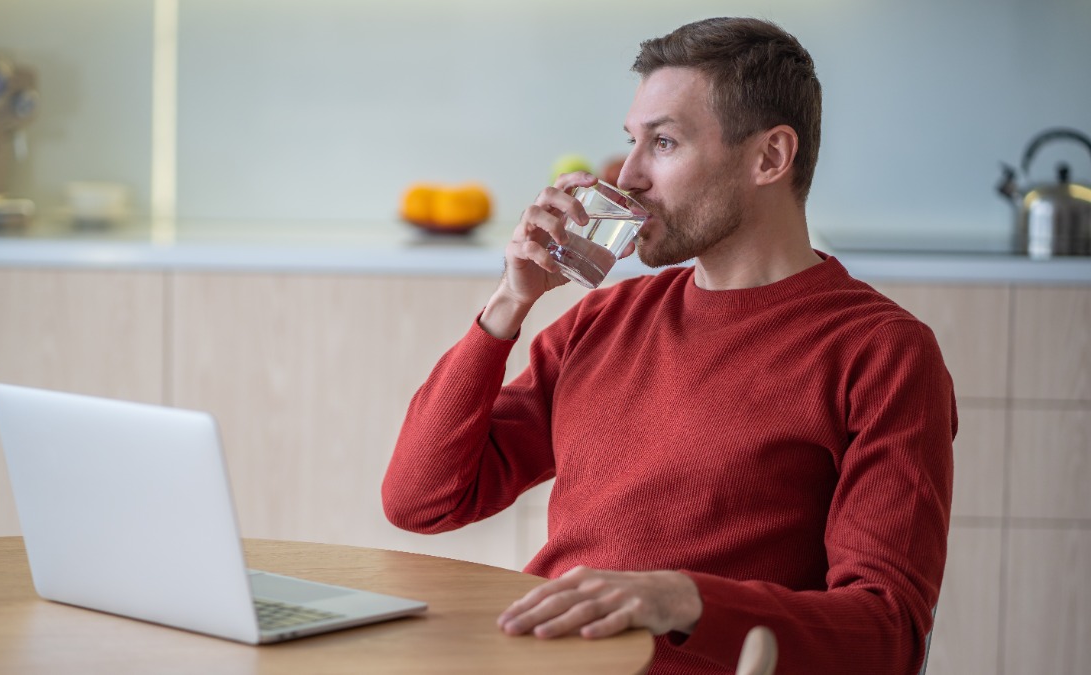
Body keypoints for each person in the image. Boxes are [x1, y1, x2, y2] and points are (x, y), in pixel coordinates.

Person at [382, 16, 956, 675]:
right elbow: (420, 500)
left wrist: (681, 597)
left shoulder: (883, 353)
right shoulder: (603, 319)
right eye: (630, 141)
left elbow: (887, 637)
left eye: (663, 142)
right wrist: (509, 303)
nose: (626, 176)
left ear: (769, 157)